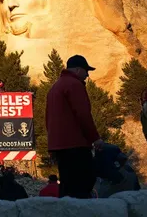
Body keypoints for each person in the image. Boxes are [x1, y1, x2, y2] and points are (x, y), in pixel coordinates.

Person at [46, 55, 103, 199]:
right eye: (86, 71)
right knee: (83, 185)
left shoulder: (55, 86)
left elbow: (48, 118)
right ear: (78, 70)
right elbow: (83, 114)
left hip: (60, 146)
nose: (87, 75)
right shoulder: (74, 85)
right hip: (76, 144)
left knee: (67, 186)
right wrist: (95, 138)